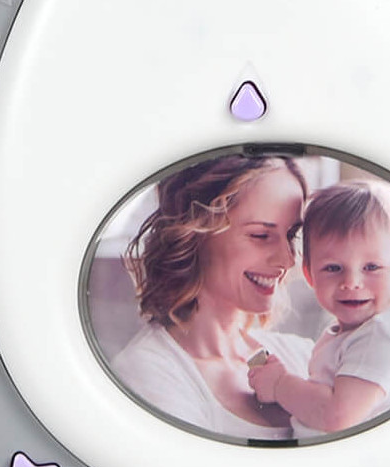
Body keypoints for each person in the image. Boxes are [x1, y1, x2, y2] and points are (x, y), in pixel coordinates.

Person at [111, 154, 313, 439]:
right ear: (196, 232)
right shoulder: (150, 372)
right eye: (260, 235)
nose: (287, 260)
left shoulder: (303, 356)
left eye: (291, 235)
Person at [248, 180, 390, 436]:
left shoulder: (379, 336)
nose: (351, 282)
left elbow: (337, 416)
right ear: (310, 275)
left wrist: (280, 385)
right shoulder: (347, 333)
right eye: (333, 268)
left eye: (371, 267)